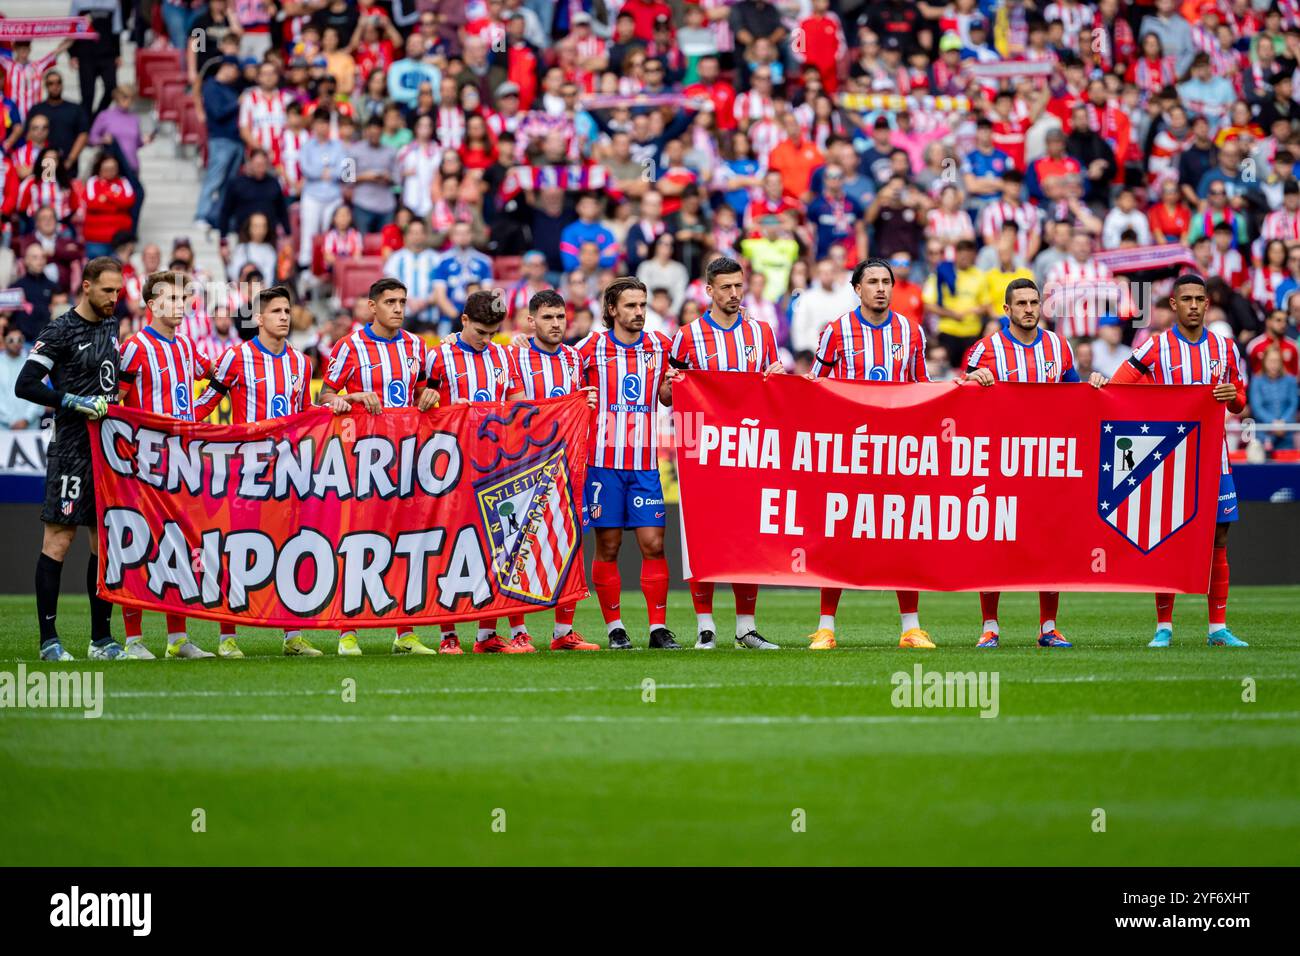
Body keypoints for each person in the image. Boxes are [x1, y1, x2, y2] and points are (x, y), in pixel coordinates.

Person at [192, 286, 351, 657]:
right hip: (247, 472)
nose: (283, 316)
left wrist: (333, 408)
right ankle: (227, 637)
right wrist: (166, 425)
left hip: (290, 473)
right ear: (259, 319)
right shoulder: (236, 357)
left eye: (287, 310)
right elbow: (204, 404)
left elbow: (304, 411)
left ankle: (292, 636)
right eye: (276, 311)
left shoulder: (300, 362)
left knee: (288, 551)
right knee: (237, 553)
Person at [961, 277, 1108, 648]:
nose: (1029, 309)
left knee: (1049, 542)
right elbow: (960, 398)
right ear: (1006, 310)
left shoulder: (1059, 347)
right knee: (994, 542)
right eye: (1021, 304)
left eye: (1034, 302)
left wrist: (1093, 385)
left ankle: (1048, 627)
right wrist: (970, 380)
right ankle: (990, 627)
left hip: (1047, 460)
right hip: (1001, 460)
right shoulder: (985, 349)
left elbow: (1075, 397)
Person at [1104, 273, 1249, 648]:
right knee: (1168, 539)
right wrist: (1100, 386)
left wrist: (1234, 396)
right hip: (1172, 458)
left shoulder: (1224, 347)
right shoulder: (1156, 347)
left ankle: (1218, 627)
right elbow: (1120, 387)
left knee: (1219, 536)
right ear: (1174, 305)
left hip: (1214, 458)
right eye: (1187, 299)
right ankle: (1163, 627)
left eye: (1200, 299)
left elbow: (1239, 402)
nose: (1195, 305)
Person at [805, 258, 935, 650]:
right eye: (873, 281)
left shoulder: (911, 331)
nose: (881, 288)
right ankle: (826, 628)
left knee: (903, 536)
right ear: (857, 289)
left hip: (897, 451)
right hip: (849, 451)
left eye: (886, 282)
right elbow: (816, 385)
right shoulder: (836, 332)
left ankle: (911, 628)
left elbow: (922, 385)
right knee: (839, 535)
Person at [659, 256, 782, 650]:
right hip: (702, 452)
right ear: (708, 291)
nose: (733, 294)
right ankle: (706, 626)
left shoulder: (761, 333)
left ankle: (746, 627)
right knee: (702, 539)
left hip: (749, 449)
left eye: (738, 286)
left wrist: (777, 379)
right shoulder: (687, 336)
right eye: (725, 288)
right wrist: (673, 384)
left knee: (748, 539)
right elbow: (665, 395)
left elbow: (772, 387)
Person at [319, 277, 438, 656]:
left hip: (408, 459)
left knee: (406, 544)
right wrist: (347, 397)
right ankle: (347, 631)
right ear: (372, 307)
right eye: (390, 302)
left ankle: (405, 631)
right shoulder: (350, 345)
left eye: (402, 301)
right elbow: (324, 395)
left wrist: (429, 395)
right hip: (363, 460)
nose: (399, 308)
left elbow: (421, 390)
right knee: (359, 542)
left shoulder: (417, 346)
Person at [13, 258, 125, 661]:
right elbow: (24, 383)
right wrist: (70, 400)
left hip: (106, 451)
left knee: (105, 544)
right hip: (71, 450)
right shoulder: (60, 330)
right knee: (60, 540)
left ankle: (101, 640)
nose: (115, 298)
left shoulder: (112, 326)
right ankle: (49, 641)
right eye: (108, 291)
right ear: (87, 286)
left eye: (119, 291)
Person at [115, 271, 217, 660]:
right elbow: (117, 403)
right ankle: (133, 640)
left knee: (177, 548)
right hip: (143, 465)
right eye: (172, 299)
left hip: (183, 465)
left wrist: (198, 413)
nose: (181, 306)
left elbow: (218, 378)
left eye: (183, 298)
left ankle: (177, 638)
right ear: (152, 305)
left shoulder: (188, 347)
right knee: (137, 546)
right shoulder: (135, 347)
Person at [423, 290, 531, 653]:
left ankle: (488, 635)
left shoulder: (503, 354)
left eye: (493, 332)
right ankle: (447, 635)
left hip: (497, 466)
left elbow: (517, 405)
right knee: (451, 549)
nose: (487, 340)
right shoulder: (438, 357)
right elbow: (419, 409)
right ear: (464, 320)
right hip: (451, 468)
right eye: (481, 332)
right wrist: (446, 410)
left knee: (500, 547)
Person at [577, 277, 680, 650]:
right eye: (631, 306)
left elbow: (673, 392)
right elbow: (557, 366)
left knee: (653, 545)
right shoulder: (591, 347)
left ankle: (657, 628)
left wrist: (671, 386)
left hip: (645, 464)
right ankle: (615, 628)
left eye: (642, 305)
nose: (639, 313)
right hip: (602, 464)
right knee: (609, 547)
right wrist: (523, 342)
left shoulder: (661, 345)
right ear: (611, 310)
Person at [510, 289, 602, 651]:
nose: (556, 324)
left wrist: (587, 400)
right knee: (517, 549)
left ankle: (563, 632)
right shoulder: (515, 357)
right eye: (548, 317)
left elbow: (581, 402)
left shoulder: (573, 359)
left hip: (568, 468)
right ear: (531, 321)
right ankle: (518, 631)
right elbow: (513, 409)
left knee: (570, 546)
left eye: (560, 317)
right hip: (525, 466)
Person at [1248, 346, 1297, 453]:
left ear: (1281, 362)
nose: (1274, 364)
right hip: (1264, 434)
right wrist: (1273, 423)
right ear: (1264, 361)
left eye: (1277, 361)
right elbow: (1257, 407)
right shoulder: (1257, 381)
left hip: (1286, 433)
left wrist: (1283, 422)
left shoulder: (1291, 380)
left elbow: (1293, 404)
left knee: (1288, 467)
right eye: (1271, 361)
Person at [0, 329, 44, 430]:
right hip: (3, 428)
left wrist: (26, 419)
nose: (16, 343)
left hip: (30, 427)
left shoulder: (32, 364)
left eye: (19, 340)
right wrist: (10, 420)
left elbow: (38, 393)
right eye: (11, 340)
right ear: (4, 340)